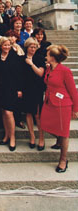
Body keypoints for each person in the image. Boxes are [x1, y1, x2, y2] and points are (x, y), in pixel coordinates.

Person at [40, 45, 78, 173]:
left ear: (53, 58)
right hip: (50, 102)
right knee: (44, 125)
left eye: (48, 54)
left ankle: (63, 160)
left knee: (64, 133)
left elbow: (73, 91)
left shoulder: (65, 71)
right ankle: (59, 140)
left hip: (63, 105)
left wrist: (75, 109)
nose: (46, 56)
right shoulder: (49, 68)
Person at [0, 37, 23, 151]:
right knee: (3, 112)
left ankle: (12, 137)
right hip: (1, 89)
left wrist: (19, 89)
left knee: (8, 112)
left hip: (12, 88)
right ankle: (6, 135)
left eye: (8, 45)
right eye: (5, 45)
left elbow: (19, 75)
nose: (7, 47)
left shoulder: (14, 57)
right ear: (1, 46)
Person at [22, 38, 46, 150]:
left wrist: (31, 64)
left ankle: (41, 138)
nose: (33, 49)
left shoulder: (39, 58)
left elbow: (40, 73)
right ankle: (32, 136)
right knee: (28, 113)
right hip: (26, 89)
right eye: (31, 47)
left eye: (35, 47)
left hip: (37, 89)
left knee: (37, 115)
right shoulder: (22, 58)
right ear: (27, 47)